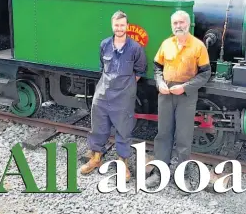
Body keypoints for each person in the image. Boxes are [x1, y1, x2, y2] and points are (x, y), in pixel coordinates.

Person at [145, 10, 211, 192]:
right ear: (172, 25)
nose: (178, 26)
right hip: (166, 93)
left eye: (181, 23)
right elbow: (157, 67)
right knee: (163, 134)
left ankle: (183, 174)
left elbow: (206, 73)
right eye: (175, 23)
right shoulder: (166, 44)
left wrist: (186, 87)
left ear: (188, 25)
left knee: (183, 136)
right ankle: (160, 172)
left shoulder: (198, 46)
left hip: (186, 95)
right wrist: (159, 83)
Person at [80, 10, 147, 182]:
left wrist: (126, 84)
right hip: (103, 93)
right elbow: (103, 66)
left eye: (122, 25)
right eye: (116, 25)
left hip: (124, 96)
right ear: (112, 26)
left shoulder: (135, 48)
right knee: (98, 126)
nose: (119, 28)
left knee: (124, 130)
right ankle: (96, 157)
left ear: (127, 26)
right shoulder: (105, 44)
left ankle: (122, 162)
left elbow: (140, 70)